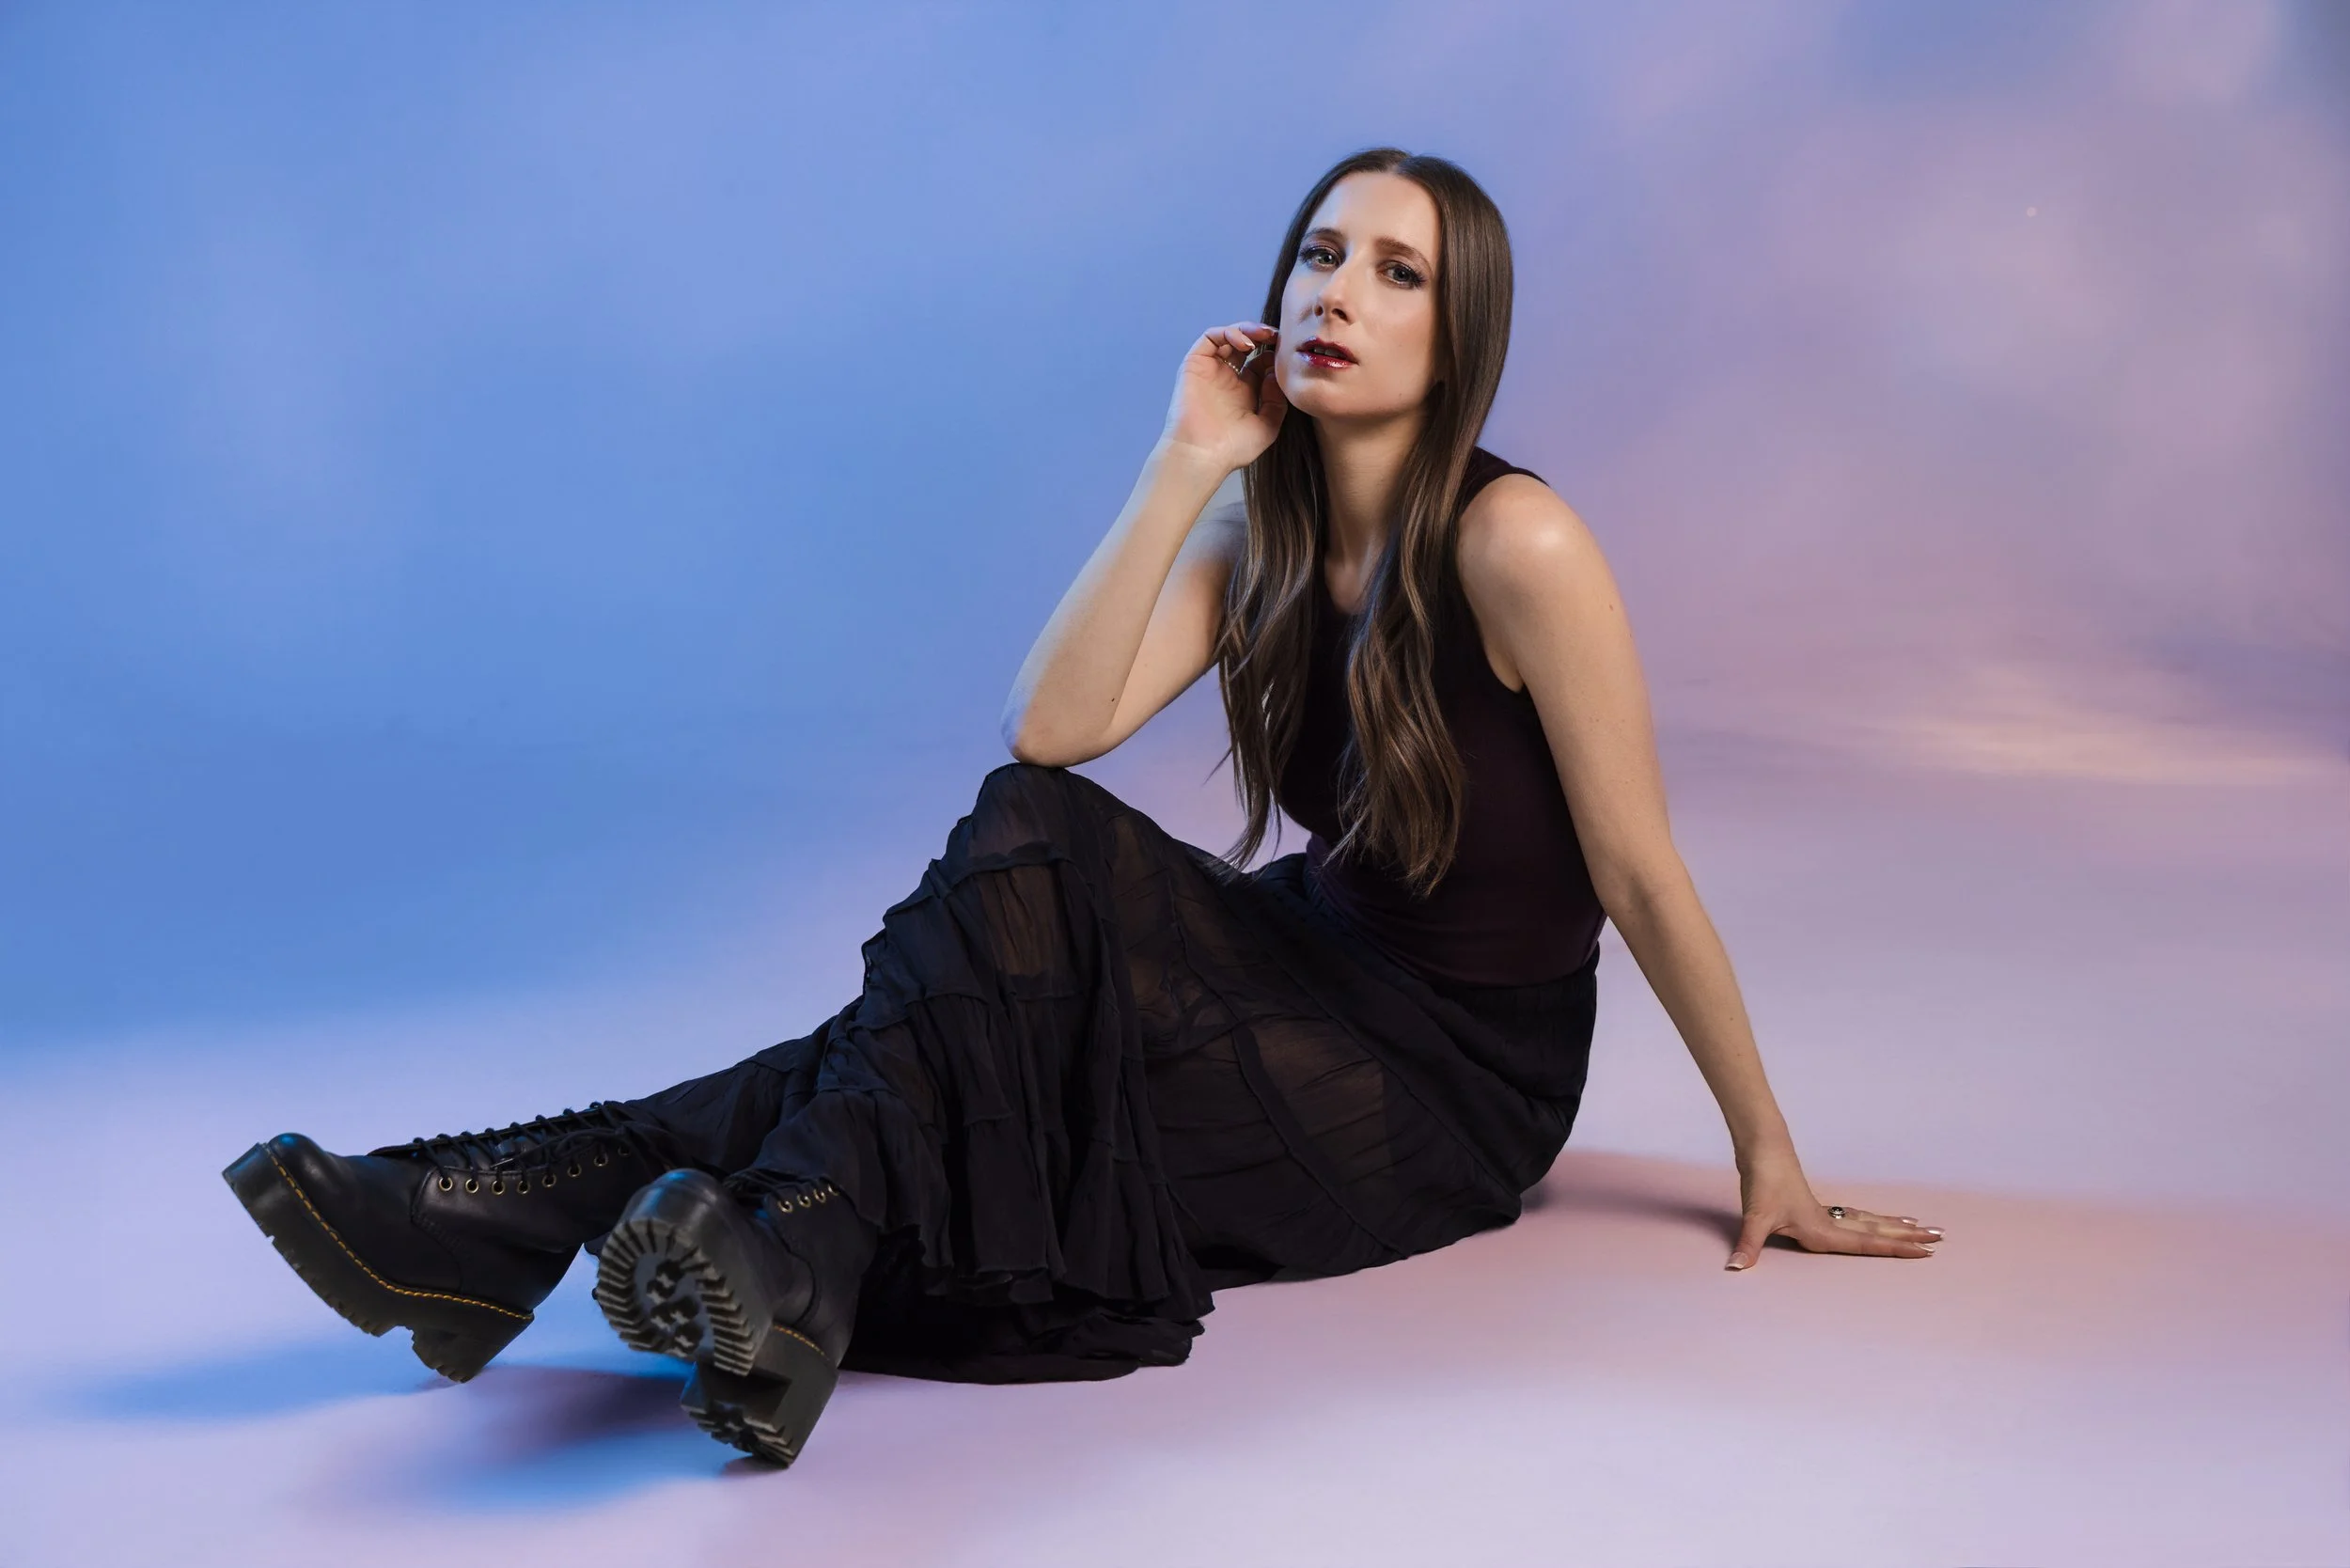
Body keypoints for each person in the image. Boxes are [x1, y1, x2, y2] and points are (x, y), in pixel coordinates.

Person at [221, 146, 1943, 1469]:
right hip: (1296, 968)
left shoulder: (1518, 545)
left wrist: (1767, 1154)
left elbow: (1637, 872)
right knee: (979, 947)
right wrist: (1187, 459)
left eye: (1395, 270)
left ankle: (536, 1223)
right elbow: (1051, 729)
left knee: (976, 1053)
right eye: (1320, 252)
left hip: (1446, 1087)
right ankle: (710, 1245)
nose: (1338, 288)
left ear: (1461, 328)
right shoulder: (1254, 521)